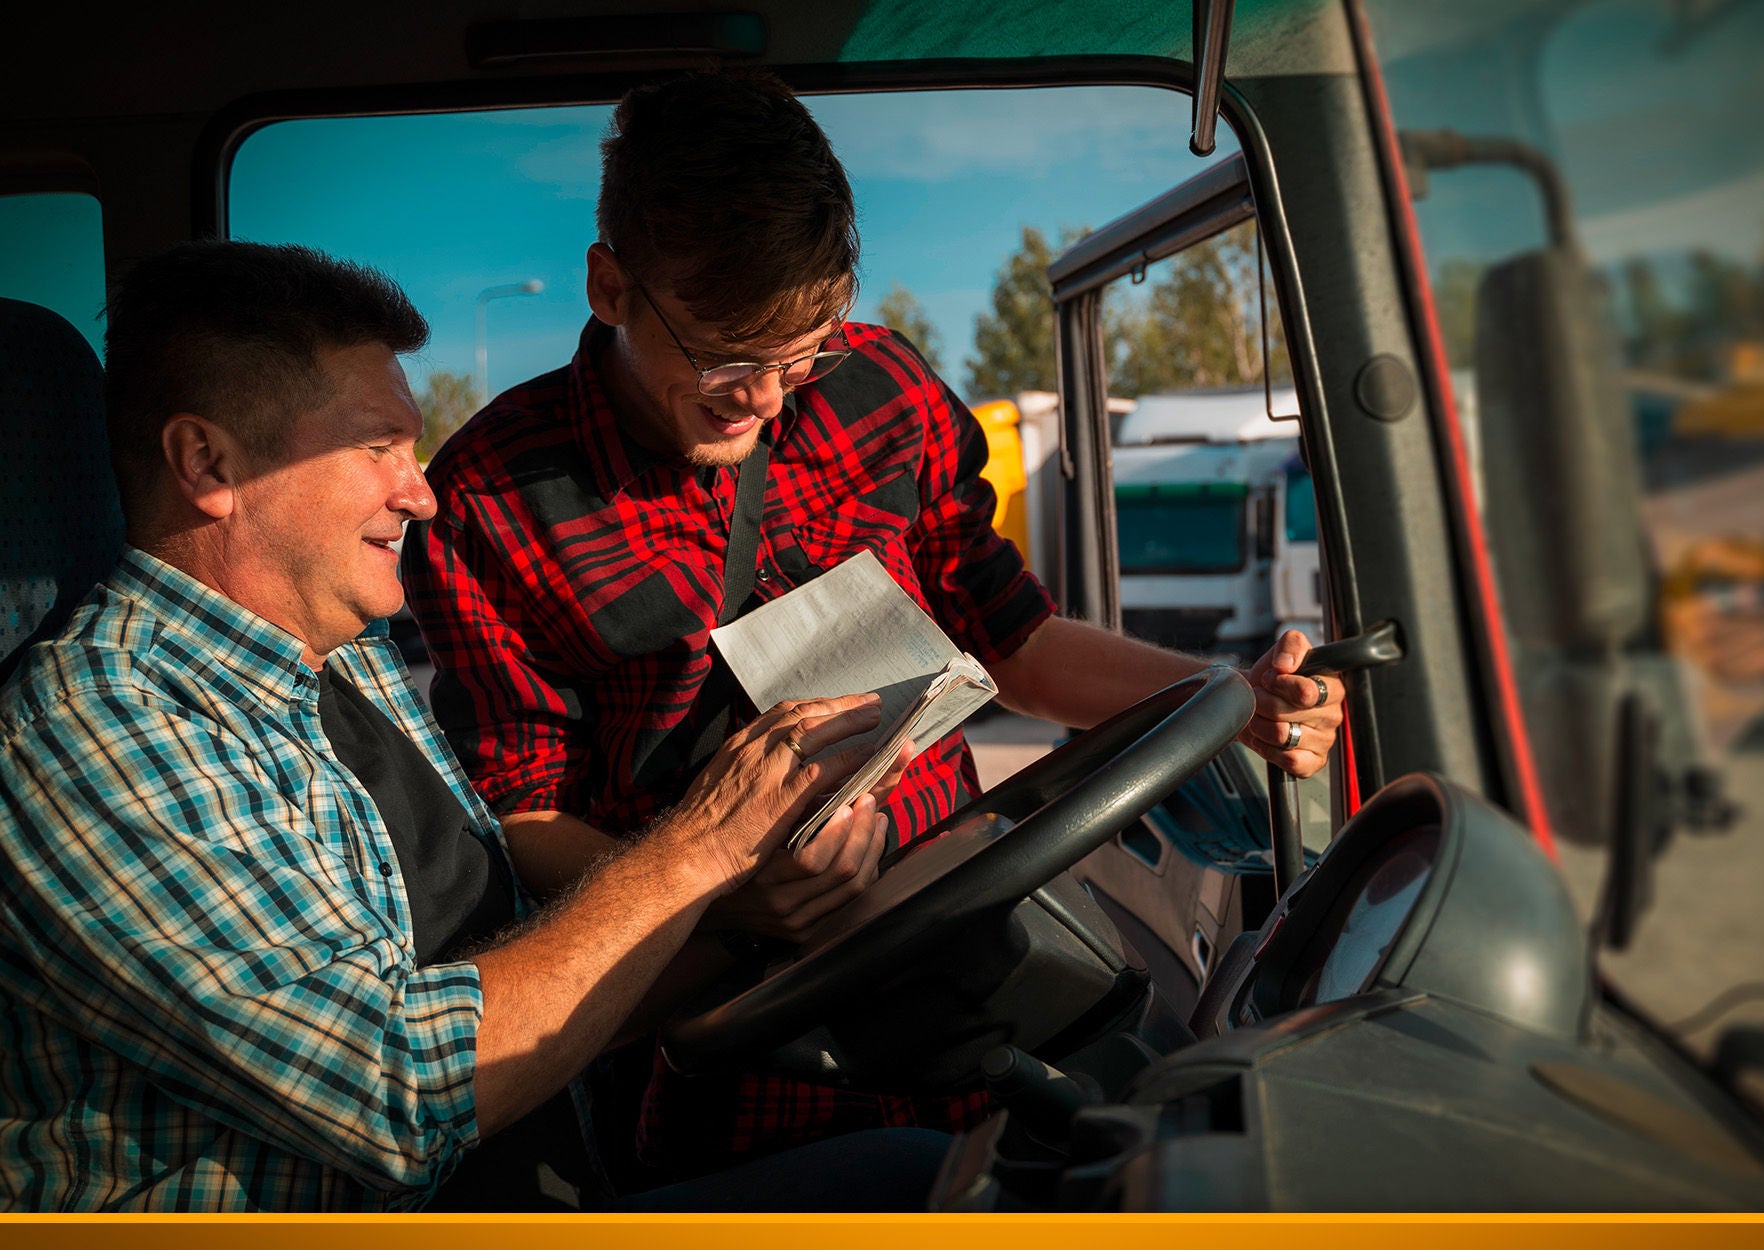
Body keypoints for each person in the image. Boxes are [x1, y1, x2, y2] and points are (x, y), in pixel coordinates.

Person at [403, 68, 1349, 1175]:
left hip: (964, 938)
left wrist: (1225, 695)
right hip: (722, 1024)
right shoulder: (489, 498)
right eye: (725, 355)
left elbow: (1018, 644)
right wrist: (723, 890)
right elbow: (523, 812)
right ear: (609, 287)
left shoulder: (881, 391)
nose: (764, 397)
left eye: (803, 350)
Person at [0, 241, 936, 1212]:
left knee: (929, 1168)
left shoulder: (351, 661)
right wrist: (705, 843)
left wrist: (759, 920)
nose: (423, 490)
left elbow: (523, 981)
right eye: (375, 447)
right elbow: (401, 1091)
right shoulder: (98, 733)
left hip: (556, 1182)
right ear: (208, 462)